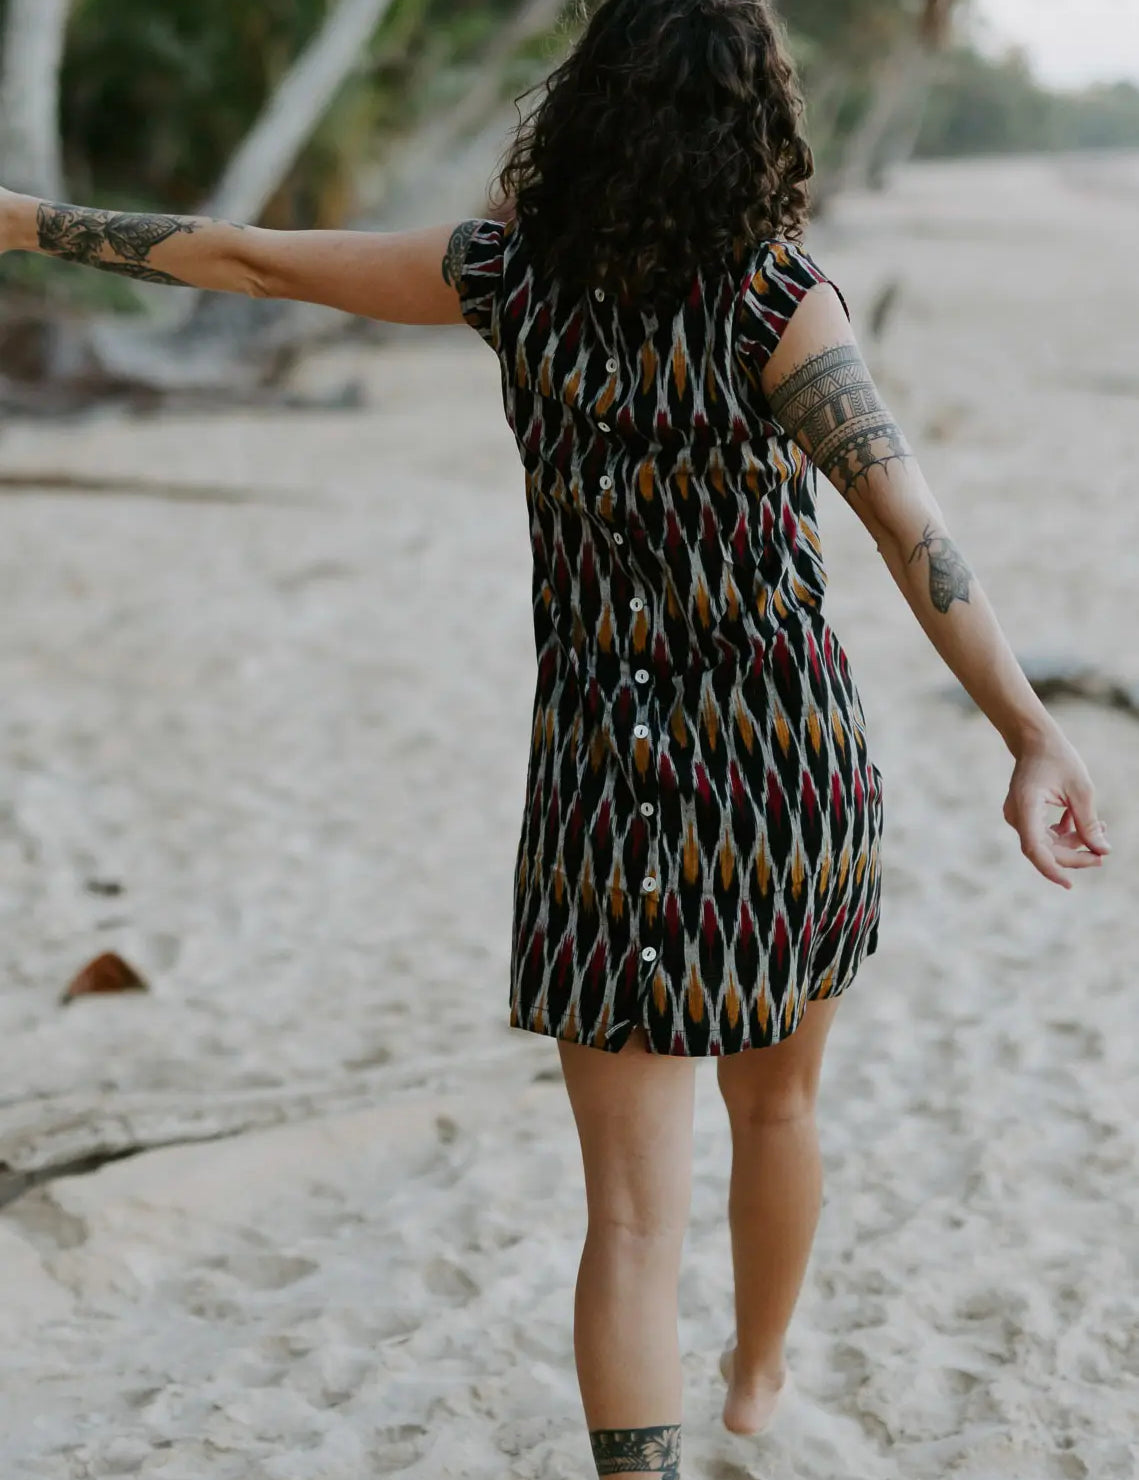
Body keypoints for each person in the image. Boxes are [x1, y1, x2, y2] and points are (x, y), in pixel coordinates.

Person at [0, 1, 1110, 1474]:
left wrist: (25, 221)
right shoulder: (781, 305)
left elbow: (250, 258)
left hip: (607, 782)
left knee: (631, 1216)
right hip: (787, 770)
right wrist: (1028, 736)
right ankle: (760, 1371)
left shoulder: (504, 280)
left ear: (587, 108)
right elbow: (917, 537)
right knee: (779, 1110)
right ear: (758, 124)